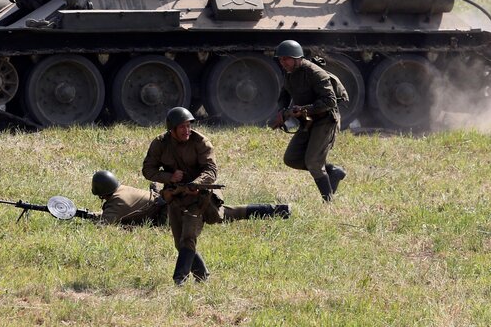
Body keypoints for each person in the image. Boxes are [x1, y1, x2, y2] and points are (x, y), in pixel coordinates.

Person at [142, 106, 219, 285]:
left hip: (198, 197)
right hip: (175, 197)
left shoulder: (201, 142)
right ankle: (202, 275)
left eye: (188, 126)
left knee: (188, 237)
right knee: (180, 244)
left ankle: (179, 279)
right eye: (182, 127)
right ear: (172, 129)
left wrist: (198, 184)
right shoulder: (160, 143)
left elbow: (211, 169)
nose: (187, 130)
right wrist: (169, 177)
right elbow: (148, 170)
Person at [273, 40, 349, 201]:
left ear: (297, 58)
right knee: (291, 159)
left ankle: (328, 203)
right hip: (308, 121)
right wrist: (282, 111)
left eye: (286, 59)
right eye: (280, 59)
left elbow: (330, 102)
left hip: (325, 120)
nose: (283, 62)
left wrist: (303, 109)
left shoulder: (315, 73)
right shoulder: (289, 72)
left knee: (313, 162)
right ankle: (333, 171)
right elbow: (285, 93)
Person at [90, 170, 290, 226]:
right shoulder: (122, 189)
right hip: (171, 204)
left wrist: (85, 217)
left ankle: (277, 211)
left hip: (169, 214)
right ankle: (279, 209)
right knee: (230, 212)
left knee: (225, 215)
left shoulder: (117, 202)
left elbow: (104, 224)